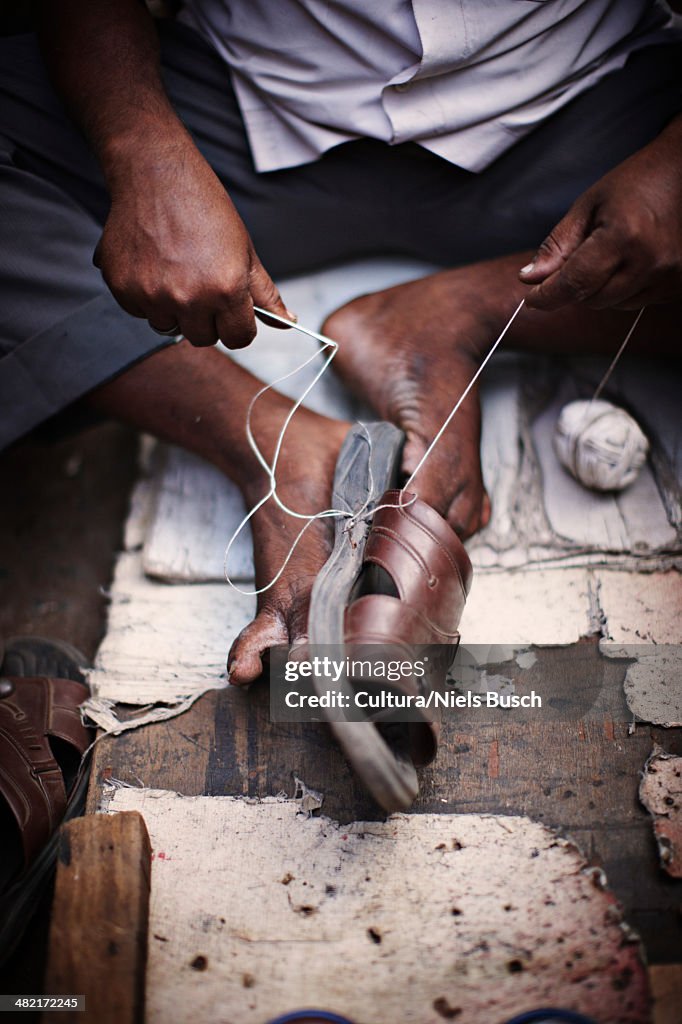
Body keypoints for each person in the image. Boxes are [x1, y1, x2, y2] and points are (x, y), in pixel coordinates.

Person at [1, 0, 681, 686]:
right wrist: (142, 152)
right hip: (237, 107)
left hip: (579, 116)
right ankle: (281, 444)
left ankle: (457, 310)